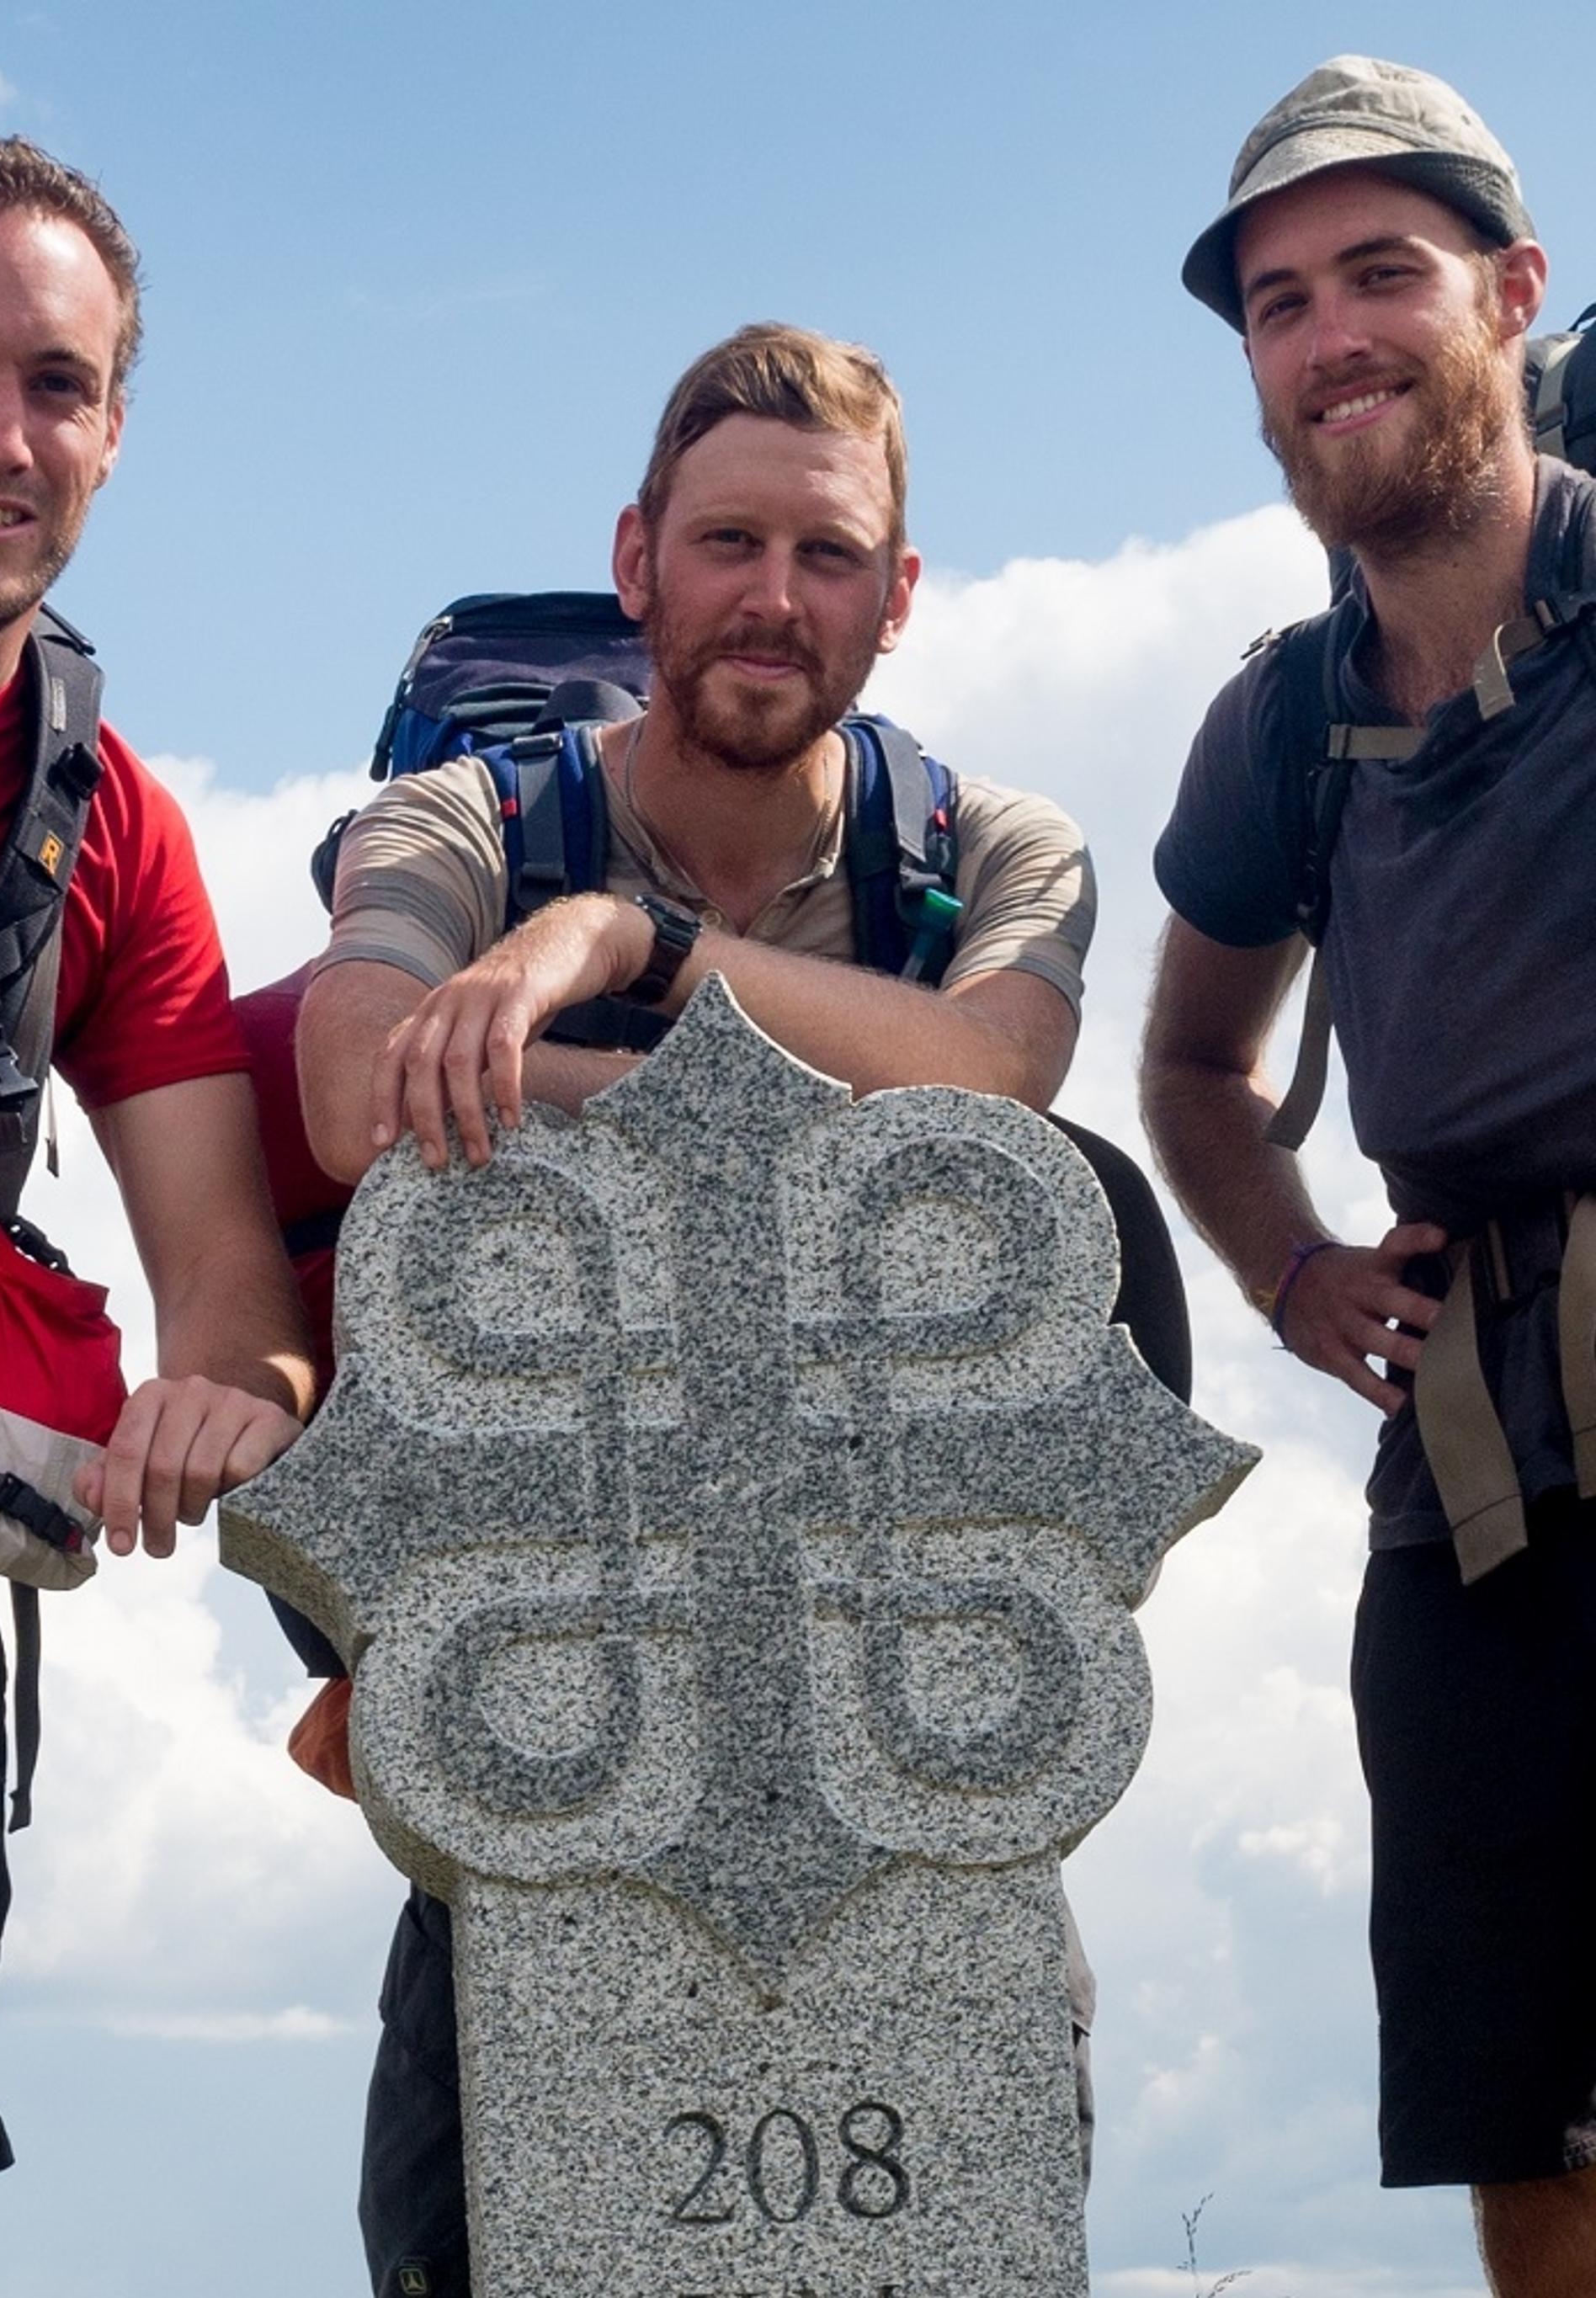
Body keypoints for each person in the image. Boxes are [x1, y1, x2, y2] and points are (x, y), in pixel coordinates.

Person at [297, 322, 1100, 2297]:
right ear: (637, 555)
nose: (772, 598)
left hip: (907, 1736)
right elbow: (346, 1082)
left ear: (897, 597)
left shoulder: (991, 851)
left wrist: (618, 956)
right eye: (727, 543)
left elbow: (1001, 1093)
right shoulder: (464, 828)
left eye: (827, 556)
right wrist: (818, 1120)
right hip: (549, 1725)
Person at [1141, 56, 1596, 2298]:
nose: (1327, 335)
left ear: (1514, 293)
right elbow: (1196, 1064)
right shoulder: (1280, 724)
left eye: (1382, 273)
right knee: (1527, 2099)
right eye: (1277, 300)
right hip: (1478, 1476)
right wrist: (1302, 1271)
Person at [0, 129, 312, 2297]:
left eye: (53, 384)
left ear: (116, 431)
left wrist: (225, 1395)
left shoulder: (104, 817)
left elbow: (220, 1262)